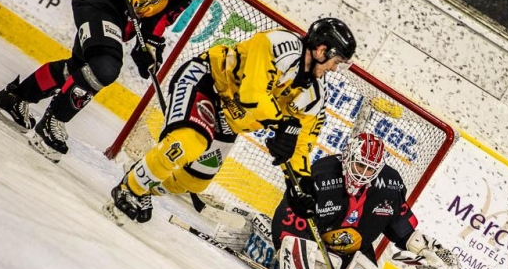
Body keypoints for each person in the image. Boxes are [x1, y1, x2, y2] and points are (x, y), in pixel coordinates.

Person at [104, 17, 357, 224]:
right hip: (207, 83)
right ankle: (130, 187)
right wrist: (281, 126)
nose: (335, 69)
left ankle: (147, 178)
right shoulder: (277, 44)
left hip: (230, 119)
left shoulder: (315, 94)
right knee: (189, 144)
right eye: (337, 62)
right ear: (322, 50)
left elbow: (300, 142)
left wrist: (299, 183)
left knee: (194, 181)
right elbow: (252, 95)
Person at [267, 132, 458, 269]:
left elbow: (399, 224)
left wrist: (423, 250)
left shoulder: (390, 185)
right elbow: (289, 218)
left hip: (355, 254)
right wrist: (290, 256)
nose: (362, 173)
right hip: (315, 246)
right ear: (347, 157)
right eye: (360, 165)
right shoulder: (321, 175)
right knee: (320, 268)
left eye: (370, 169)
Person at [0, 0, 199, 162]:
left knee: (79, 69)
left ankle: (14, 98)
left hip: (119, 17)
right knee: (104, 66)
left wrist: (150, 45)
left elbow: (164, 14)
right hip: (98, 0)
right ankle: (52, 121)